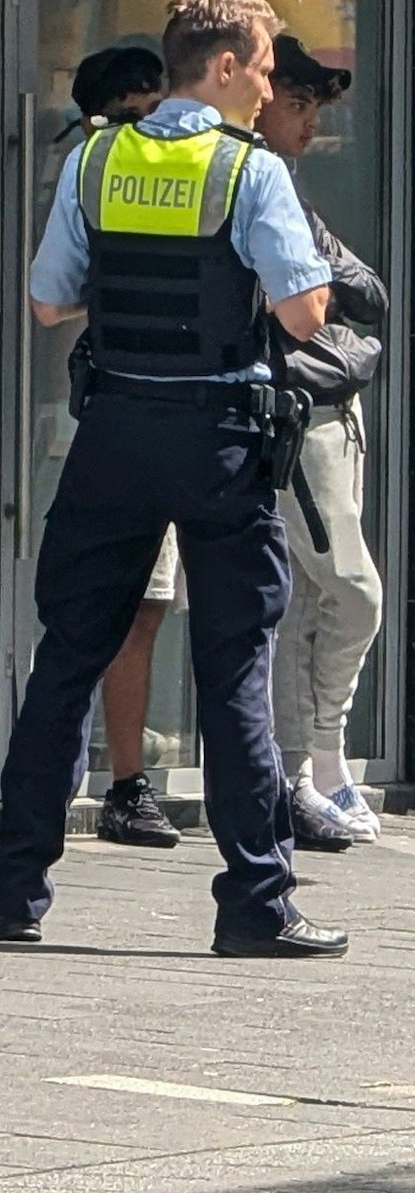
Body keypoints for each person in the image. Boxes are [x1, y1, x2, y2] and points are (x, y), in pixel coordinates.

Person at [0, 0, 347, 956]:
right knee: (233, 658)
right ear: (226, 66)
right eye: (269, 66)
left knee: (68, 652)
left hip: (113, 429)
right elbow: (306, 315)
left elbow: (45, 301)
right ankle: (256, 904)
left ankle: (11, 887)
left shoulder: (97, 156)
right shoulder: (250, 171)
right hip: (218, 436)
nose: (275, 85)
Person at [40, 46, 185, 851]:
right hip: (94, 413)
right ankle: (114, 777)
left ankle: (120, 772)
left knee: (138, 603)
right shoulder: (86, 168)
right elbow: (52, 296)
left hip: (113, 409)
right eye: (144, 109)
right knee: (110, 607)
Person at [257, 35, 388, 847]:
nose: (308, 122)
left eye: (314, 108)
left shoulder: (291, 192)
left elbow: (368, 294)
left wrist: (327, 289)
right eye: (296, 103)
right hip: (293, 419)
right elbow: (304, 310)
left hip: (334, 414)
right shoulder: (251, 182)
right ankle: (317, 759)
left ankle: (304, 768)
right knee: (353, 589)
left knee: (311, 598)